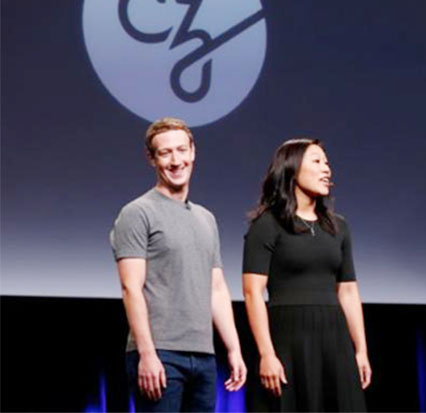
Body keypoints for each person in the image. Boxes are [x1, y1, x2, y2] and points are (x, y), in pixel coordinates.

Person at [110, 117, 246, 412]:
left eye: (181, 150)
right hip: (160, 353)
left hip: (204, 355)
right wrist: (147, 354)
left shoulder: (206, 218)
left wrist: (234, 349)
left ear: (193, 152)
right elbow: (130, 288)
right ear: (151, 159)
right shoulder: (137, 213)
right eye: (165, 152)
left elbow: (217, 289)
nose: (176, 160)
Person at [242, 138, 371, 412]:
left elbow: (348, 291)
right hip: (288, 339)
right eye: (317, 161)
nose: (327, 169)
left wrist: (360, 350)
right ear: (291, 168)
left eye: (327, 162)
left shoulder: (339, 227)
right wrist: (267, 354)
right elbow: (252, 292)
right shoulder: (267, 225)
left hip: (334, 340)